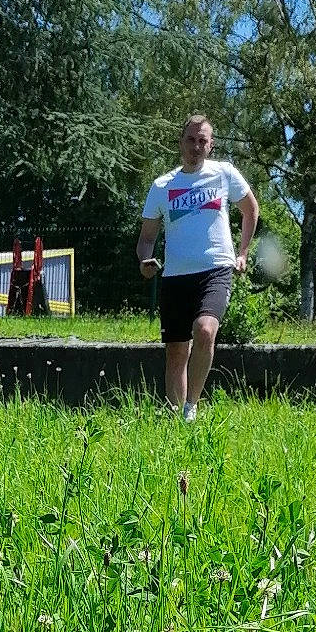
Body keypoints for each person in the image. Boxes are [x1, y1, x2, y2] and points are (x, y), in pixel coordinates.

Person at [137, 115, 259, 420]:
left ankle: (191, 407)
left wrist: (242, 253)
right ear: (181, 143)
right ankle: (175, 416)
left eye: (202, 140)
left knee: (205, 330)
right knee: (176, 351)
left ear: (211, 144)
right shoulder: (162, 186)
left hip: (215, 269)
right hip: (175, 276)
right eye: (191, 140)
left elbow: (251, 210)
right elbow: (147, 237)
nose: (196, 146)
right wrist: (144, 261)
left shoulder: (224, 174)